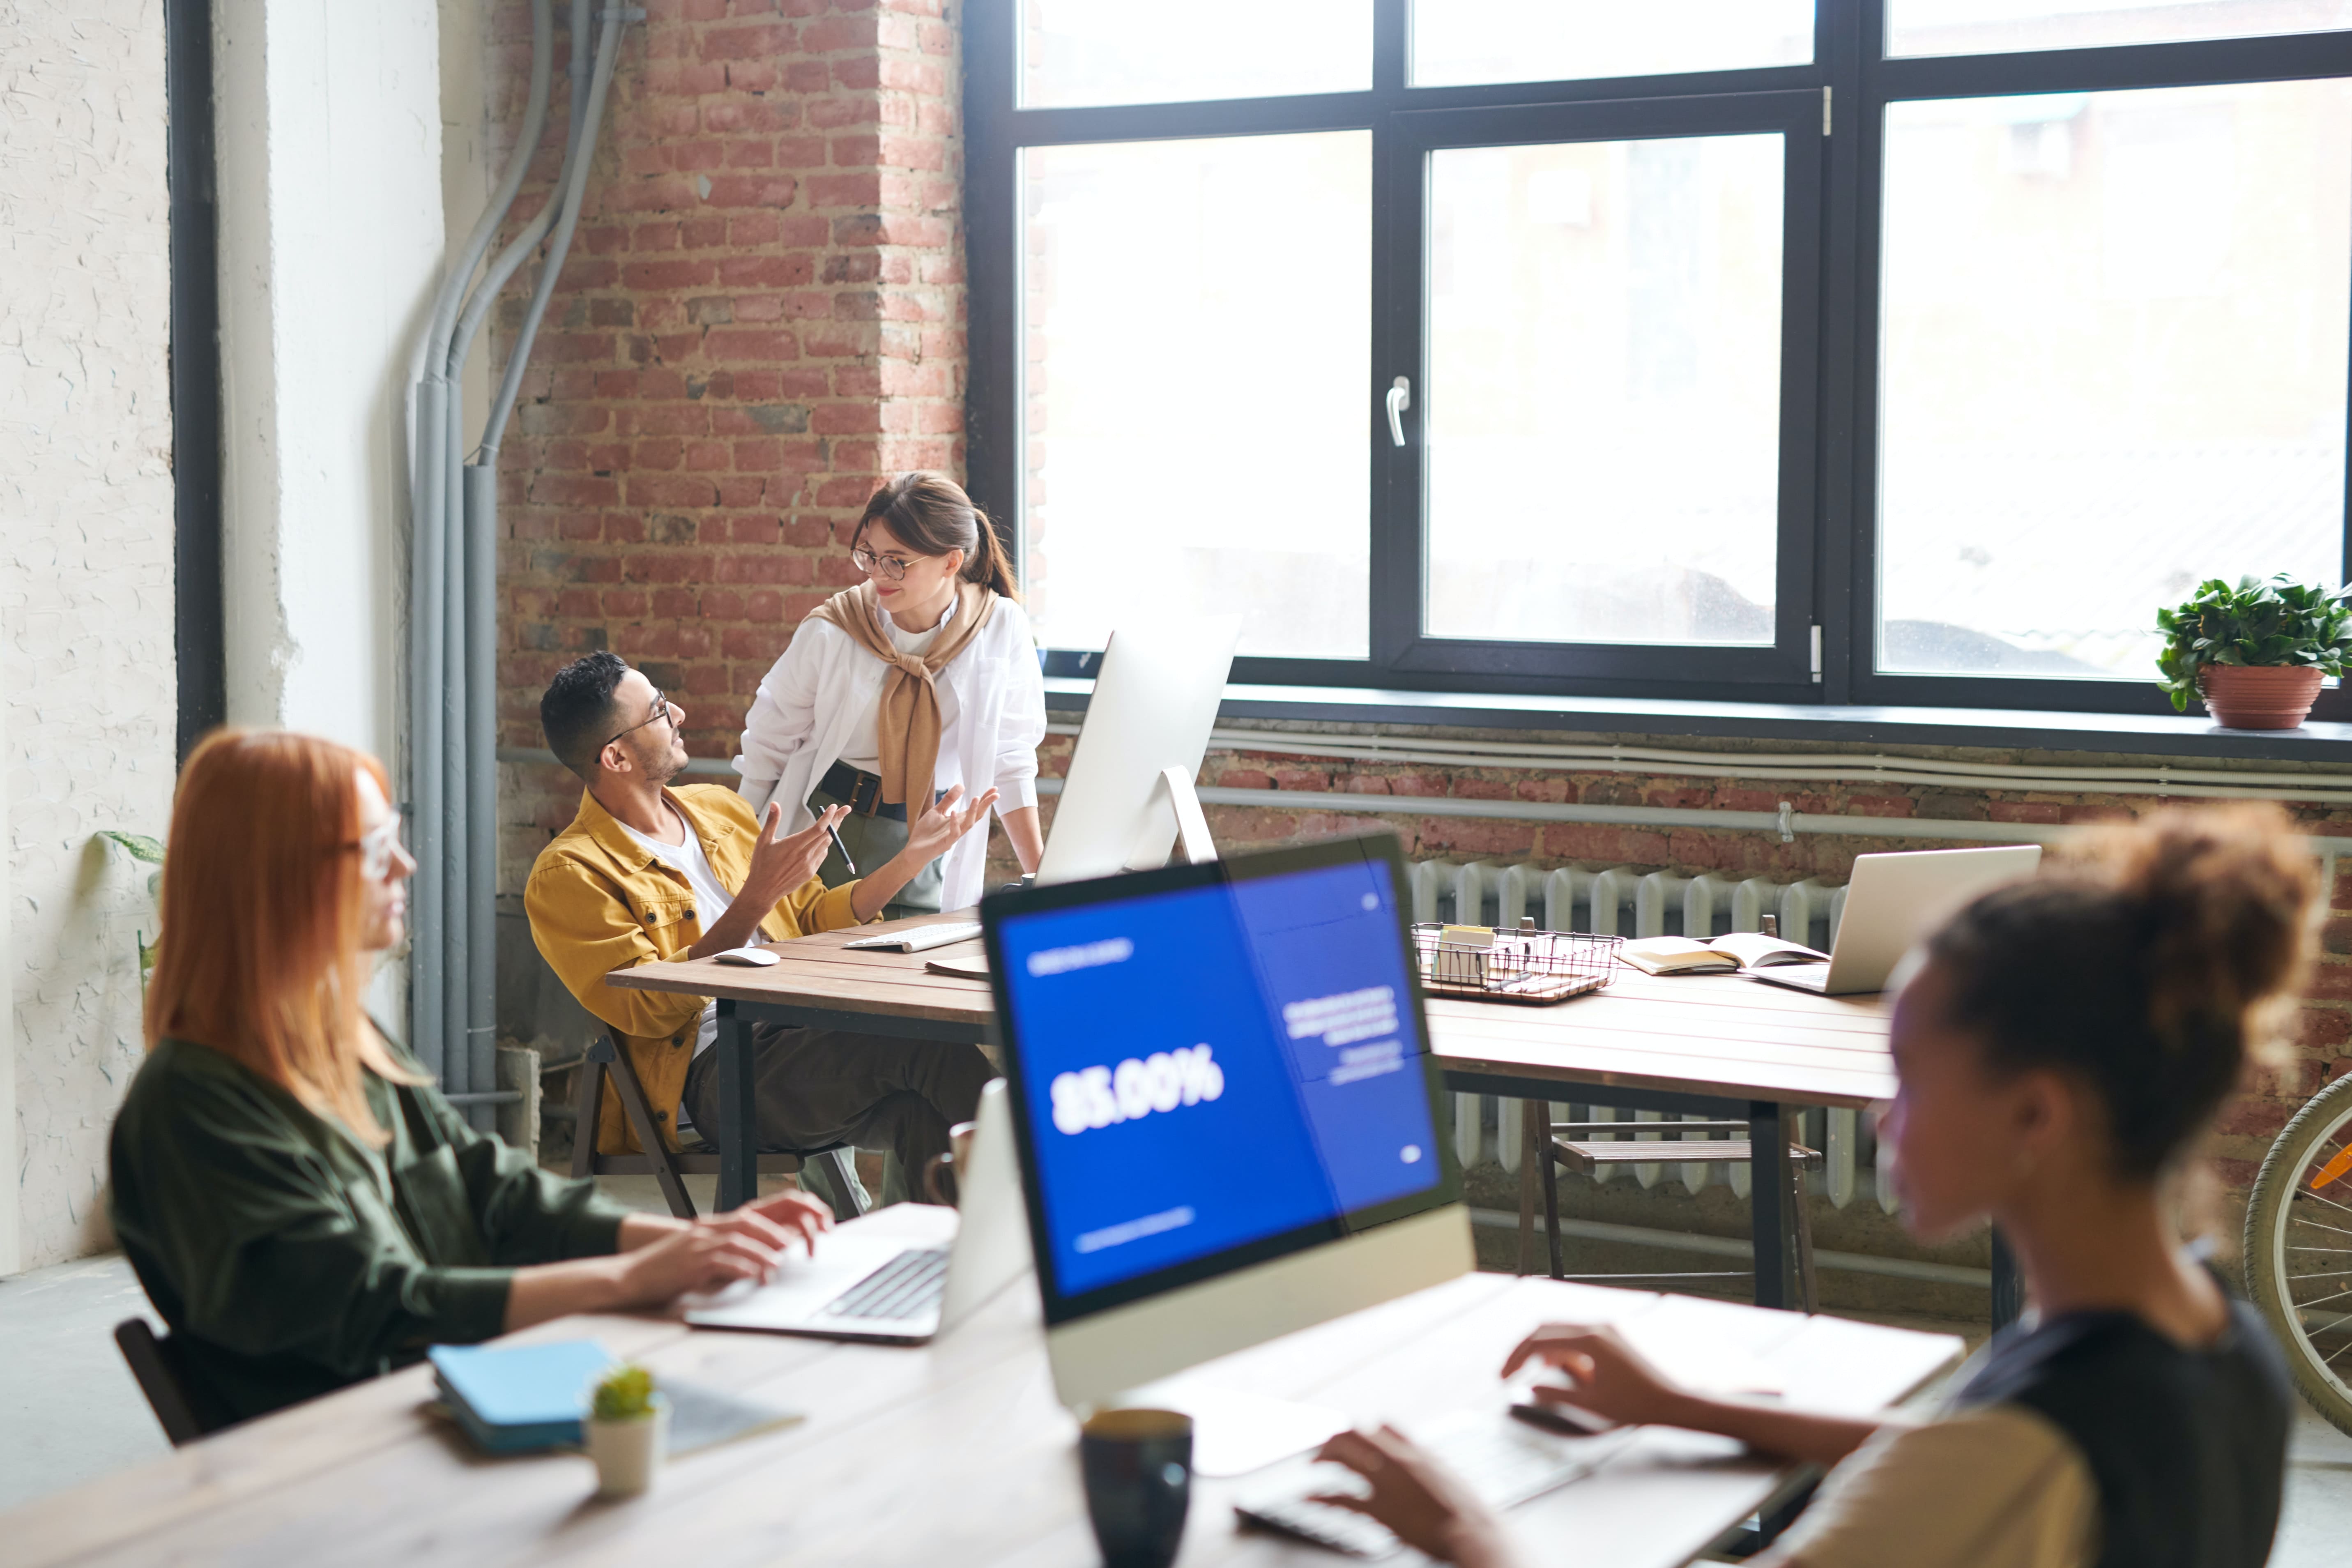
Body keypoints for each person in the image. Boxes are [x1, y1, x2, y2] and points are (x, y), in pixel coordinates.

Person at [1314, 805, 2307, 1568]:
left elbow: (1980, 1464)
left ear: (2036, 1117)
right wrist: (1684, 1403)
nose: (1882, 1116)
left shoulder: (2015, 1459)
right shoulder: (2218, 1332)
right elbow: (1955, 1452)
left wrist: (1460, 1532)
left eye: (1910, 1081)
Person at [108, 729, 834, 1430]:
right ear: (278, 875)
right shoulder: (194, 1106)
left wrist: (693, 1242)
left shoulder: (348, 1042)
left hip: (455, 1396)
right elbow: (376, 1306)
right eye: (371, 848)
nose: (405, 865)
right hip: (355, 1453)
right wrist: (632, 1278)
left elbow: (494, 1193)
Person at [525, 651, 999, 1207]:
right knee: (925, 1046)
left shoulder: (718, 810)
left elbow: (814, 917)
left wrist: (909, 860)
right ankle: (1062, 1190)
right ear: (615, 756)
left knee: (924, 1103)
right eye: (656, 710)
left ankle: (939, 1268)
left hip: (800, 1028)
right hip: (716, 1073)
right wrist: (754, 899)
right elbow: (648, 1005)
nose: (676, 712)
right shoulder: (570, 873)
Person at [735, 472, 1048, 917]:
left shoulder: (1000, 627)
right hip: (823, 831)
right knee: (815, 973)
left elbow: (1011, 758)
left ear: (951, 562)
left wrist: (1045, 881)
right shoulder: (834, 628)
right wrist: (737, 863)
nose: (880, 574)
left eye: (897, 561)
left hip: (927, 839)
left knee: (913, 978)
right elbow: (767, 744)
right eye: (870, 555)